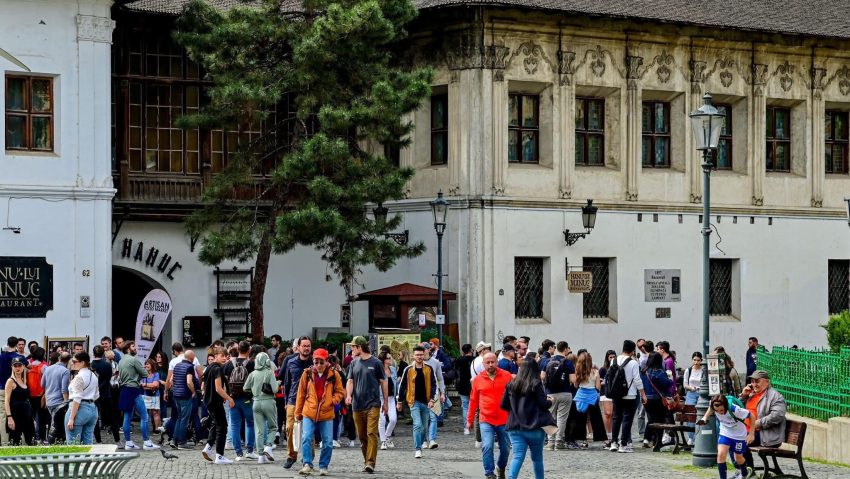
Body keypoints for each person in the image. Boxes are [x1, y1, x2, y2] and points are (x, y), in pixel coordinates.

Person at [500, 352, 552, 479]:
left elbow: (503, 405)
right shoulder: (536, 383)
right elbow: (543, 404)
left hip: (515, 427)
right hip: (534, 426)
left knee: (517, 456)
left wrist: (515, 409)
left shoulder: (511, 384)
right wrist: (551, 401)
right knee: (537, 458)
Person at [294, 348, 344, 476]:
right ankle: (307, 464)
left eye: (321, 362)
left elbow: (340, 392)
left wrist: (332, 401)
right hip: (309, 411)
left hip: (326, 413)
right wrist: (298, 413)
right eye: (316, 362)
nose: (319, 365)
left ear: (327, 361)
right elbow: (301, 394)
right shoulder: (307, 374)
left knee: (327, 441)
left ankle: (323, 465)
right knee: (306, 437)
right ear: (313, 361)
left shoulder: (334, 375)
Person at [345, 336, 387, 474]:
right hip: (357, 405)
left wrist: (385, 402)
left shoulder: (376, 363)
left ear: (359, 347)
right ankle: (367, 461)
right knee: (362, 436)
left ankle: (370, 463)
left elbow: (383, 382)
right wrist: (348, 395)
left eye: (353, 346)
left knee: (371, 433)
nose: (351, 349)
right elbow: (350, 381)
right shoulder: (353, 363)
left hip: (373, 404)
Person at [467, 352, 511, 479]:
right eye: (488, 362)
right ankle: (489, 473)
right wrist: (469, 420)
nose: (491, 364)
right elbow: (473, 401)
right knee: (487, 446)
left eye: (493, 362)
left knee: (506, 448)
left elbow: (513, 396)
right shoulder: (478, 380)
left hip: (504, 419)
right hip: (486, 419)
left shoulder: (507, 376)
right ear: (483, 364)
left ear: (497, 362)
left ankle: (501, 467)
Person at [396, 345, 438, 459]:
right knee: (417, 425)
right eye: (417, 355)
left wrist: (432, 399)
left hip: (426, 401)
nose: (419, 356)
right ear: (413, 356)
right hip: (413, 401)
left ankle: (422, 444)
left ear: (424, 355)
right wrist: (399, 401)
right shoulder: (408, 369)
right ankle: (418, 449)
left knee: (424, 427)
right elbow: (402, 385)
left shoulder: (429, 369)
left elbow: (434, 385)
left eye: (421, 354)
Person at [697, 395, 754, 479]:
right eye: (717, 411)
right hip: (725, 432)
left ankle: (745, 472)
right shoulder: (713, 404)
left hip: (739, 435)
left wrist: (751, 434)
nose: (719, 412)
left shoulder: (735, 409)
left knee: (738, 458)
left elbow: (751, 416)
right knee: (720, 455)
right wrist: (705, 417)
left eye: (722, 410)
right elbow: (711, 408)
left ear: (726, 406)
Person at [739, 370, 787, 469]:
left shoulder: (775, 396)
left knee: (739, 443)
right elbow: (736, 409)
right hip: (748, 431)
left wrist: (756, 424)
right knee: (729, 440)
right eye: (752, 381)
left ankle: (748, 470)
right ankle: (744, 470)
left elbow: (777, 415)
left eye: (757, 381)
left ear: (767, 382)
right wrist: (743, 396)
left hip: (765, 435)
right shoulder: (751, 394)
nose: (754, 384)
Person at [118, 341, 159, 450]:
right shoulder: (134, 360)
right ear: (128, 349)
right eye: (133, 346)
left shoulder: (121, 360)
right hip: (133, 389)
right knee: (144, 416)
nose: (135, 348)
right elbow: (145, 374)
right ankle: (146, 442)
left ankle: (128, 443)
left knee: (127, 416)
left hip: (124, 389)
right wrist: (137, 375)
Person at [609, 340, 646, 453]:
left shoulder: (614, 360)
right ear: (632, 350)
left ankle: (614, 442)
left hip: (616, 394)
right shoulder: (633, 363)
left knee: (616, 418)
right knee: (627, 419)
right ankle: (623, 444)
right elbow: (637, 379)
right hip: (630, 394)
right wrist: (643, 394)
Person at [222, 340, 257, 461]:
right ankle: (250, 451)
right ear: (249, 350)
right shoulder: (251, 364)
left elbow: (224, 382)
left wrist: (226, 397)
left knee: (234, 425)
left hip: (232, 399)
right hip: (247, 398)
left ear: (238, 350)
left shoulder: (228, 364)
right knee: (250, 423)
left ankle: (239, 454)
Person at [282, 337, 313, 469]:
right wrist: (286, 401)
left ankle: (308, 458)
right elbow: (287, 383)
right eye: (304, 346)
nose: (306, 348)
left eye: (308, 346)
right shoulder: (291, 362)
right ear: (298, 347)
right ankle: (291, 455)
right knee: (290, 428)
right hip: (293, 400)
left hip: (310, 400)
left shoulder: (315, 363)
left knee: (308, 432)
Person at [243, 351, 279, 464]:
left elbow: (245, 388)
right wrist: (277, 383)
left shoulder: (252, 374)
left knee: (259, 430)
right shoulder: (269, 372)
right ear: (267, 361)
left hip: (256, 402)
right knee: (273, 427)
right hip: (268, 402)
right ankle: (268, 446)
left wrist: (254, 391)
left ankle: (260, 456)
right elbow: (274, 390)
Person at [202, 347, 235, 465]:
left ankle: (208, 447)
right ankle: (219, 456)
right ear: (215, 356)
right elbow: (218, 388)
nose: (225, 358)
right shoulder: (217, 369)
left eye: (226, 356)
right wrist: (229, 398)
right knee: (222, 426)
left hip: (209, 401)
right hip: (215, 401)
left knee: (215, 423)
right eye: (222, 355)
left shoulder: (209, 367)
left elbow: (203, 386)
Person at [542, 341, 574, 450]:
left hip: (550, 393)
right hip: (565, 393)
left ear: (556, 349)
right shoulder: (568, 362)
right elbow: (572, 380)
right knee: (562, 418)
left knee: (550, 417)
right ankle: (559, 442)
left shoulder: (548, 361)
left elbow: (542, 376)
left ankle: (550, 442)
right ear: (565, 349)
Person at [65, 352, 99, 444]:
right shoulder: (94, 376)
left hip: (78, 409)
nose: (72, 363)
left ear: (82, 362)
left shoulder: (79, 377)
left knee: (73, 444)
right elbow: (96, 395)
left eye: (74, 361)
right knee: (88, 443)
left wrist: (71, 418)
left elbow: (77, 398)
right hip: (92, 408)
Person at [641, 352, 673, 450]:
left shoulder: (644, 371)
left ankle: (646, 438)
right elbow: (667, 384)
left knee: (651, 419)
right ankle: (657, 441)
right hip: (658, 399)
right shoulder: (659, 372)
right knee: (660, 420)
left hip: (647, 398)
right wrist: (670, 378)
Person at [0, 336, 26, 446]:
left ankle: (5, 442)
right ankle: (22, 441)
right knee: (20, 414)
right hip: (17, 387)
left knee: (3, 416)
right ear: (16, 345)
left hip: (1, 388)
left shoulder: (1, 356)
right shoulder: (19, 357)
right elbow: (28, 368)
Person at [91, 346, 120, 444]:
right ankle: (117, 440)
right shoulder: (107, 365)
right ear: (103, 353)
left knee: (95, 418)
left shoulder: (91, 365)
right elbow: (108, 378)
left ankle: (98, 440)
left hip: (94, 395)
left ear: (93, 353)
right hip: (106, 393)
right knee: (113, 417)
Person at [41, 351, 70, 444]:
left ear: (59, 358)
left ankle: (55, 441)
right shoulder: (65, 371)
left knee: (54, 422)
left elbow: (42, 384)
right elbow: (64, 389)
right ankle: (52, 442)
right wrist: (66, 402)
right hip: (59, 402)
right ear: (68, 361)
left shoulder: (48, 369)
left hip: (49, 400)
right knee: (56, 423)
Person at [4, 357, 34, 445]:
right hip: (15, 415)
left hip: (27, 415)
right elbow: (6, 400)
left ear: (24, 366)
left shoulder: (24, 380)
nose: (18, 368)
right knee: (15, 441)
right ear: (12, 367)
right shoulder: (10, 381)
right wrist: (9, 417)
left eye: (19, 365)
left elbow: (27, 399)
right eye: (15, 366)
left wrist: (31, 416)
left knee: (31, 440)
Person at [422, 342, 446, 448]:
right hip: (420, 393)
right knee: (423, 418)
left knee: (433, 417)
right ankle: (423, 440)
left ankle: (432, 439)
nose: (422, 352)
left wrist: (442, 393)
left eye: (424, 349)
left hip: (433, 392)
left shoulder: (435, 362)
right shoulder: (417, 362)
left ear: (428, 350)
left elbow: (440, 379)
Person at [26, 347, 49, 443]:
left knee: (30, 417)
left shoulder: (28, 366)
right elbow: (47, 382)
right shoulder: (44, 367)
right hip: (41, 396)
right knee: (42, 418)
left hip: (30, 395)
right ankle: (42, 438)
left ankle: (31, 437)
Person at [682, 351, 704, 445]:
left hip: (701, 393)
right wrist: (691, 388)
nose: (696, 362)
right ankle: (691, 438)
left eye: (698, 360)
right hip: (691, 393)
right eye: (694, 360)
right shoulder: (689, 370)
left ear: (701, 360)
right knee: (690, 415)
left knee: (699, 415)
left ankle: (698, 438)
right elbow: (685, 384)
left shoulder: (703, 370)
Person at [377, 352, 397, 450]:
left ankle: (387, 435)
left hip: (391, 398)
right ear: (384, 360)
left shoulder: (393, 370)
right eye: (388, 358)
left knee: (393, 419)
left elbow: (395, 383)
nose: (390, 359)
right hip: (380, 398)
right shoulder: (378, 370)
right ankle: (383, 441)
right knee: (382, 420)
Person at [454, 344, 474, 435]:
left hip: (463, 385)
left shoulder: (459, 359)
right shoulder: (475, 359)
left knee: (465, 406)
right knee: (475, 406)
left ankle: (467, 427)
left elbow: (455, 369)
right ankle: (475, 424)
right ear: (471, 350)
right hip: (474, 385)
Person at [598, 349, 616, 447]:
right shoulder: (603, 369)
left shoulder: (617, 368)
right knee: (608, 414)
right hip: (605, 393)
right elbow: (599, 383)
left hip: (615, 394)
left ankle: (612, 434)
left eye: (614, 357)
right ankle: (607, 435)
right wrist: (606, 382)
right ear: (607, 358)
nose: (612, 359)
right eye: (610, 357)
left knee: (613, 415)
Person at [141, 359, 162, 433]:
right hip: (146, 395)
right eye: (145, 364)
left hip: (155, 395)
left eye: (148, 364)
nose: (146, 365)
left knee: (155, 412)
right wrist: (151, 386)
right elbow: (142, 386)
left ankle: (156, 429)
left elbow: (156, 385)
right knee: (144, 412)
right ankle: (145, 428)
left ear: (152, 365)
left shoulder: (156, 374)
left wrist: (146, 385)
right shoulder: (143, 374)